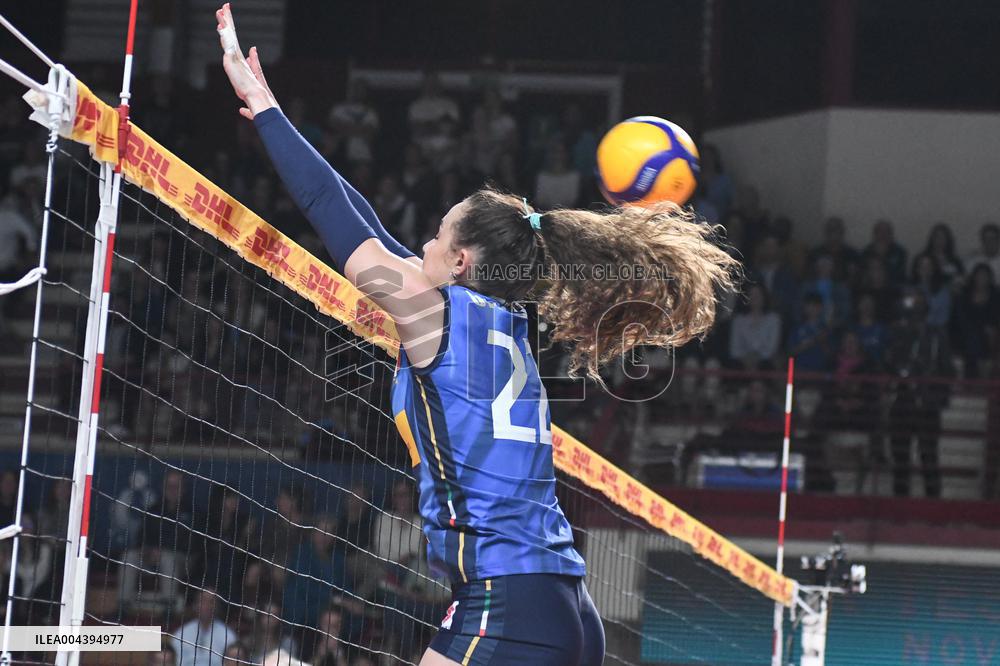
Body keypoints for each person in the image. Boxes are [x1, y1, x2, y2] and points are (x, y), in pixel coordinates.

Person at [215, 6, 738, 663]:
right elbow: (370, 226)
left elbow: (330, 211)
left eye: (435, 235)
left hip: (507, 605)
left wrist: (263, 107)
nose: (421, 245)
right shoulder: (502, 317)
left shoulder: (432, 315)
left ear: (460, 262)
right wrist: (274, 109)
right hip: (566, 607)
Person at [886, 289, 952, 498]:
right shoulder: (897, 332)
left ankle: (932, 507)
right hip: (902, 401)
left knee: (928, 456)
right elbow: (889, 363)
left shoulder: (936, 335)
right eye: (912, 306)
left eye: (920, 306)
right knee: (900, 458)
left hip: (927, 404)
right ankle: (900, 506)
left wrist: (939, 399)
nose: (915, 311)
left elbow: (946, 368)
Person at [171, 588, 238, 666]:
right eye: (203, 601)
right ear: (195, 605)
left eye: (211, 602)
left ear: (217, 606)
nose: (206, 605)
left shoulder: (228, 635)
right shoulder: (182, 633)